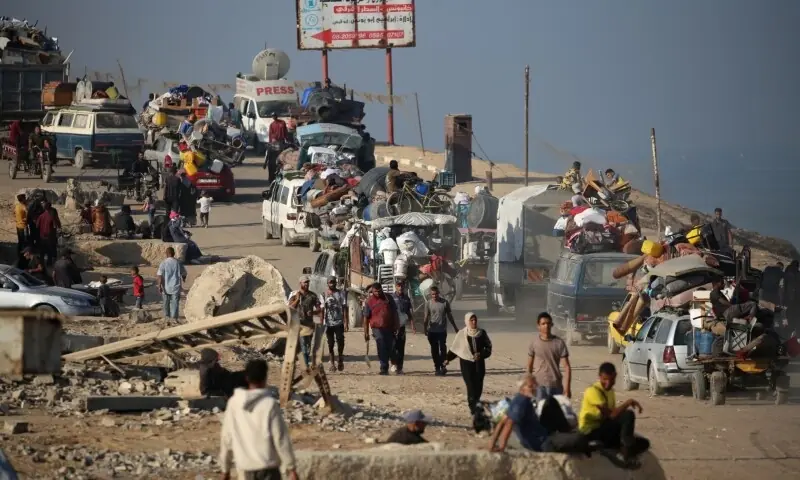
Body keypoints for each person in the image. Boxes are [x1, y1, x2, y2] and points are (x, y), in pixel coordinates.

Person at [219, 359, 298, 480]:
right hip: (268, 469)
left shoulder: (234, 403)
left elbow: (227, 438)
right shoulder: (269, 404)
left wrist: (225, 469)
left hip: (245, 469)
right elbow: (280, 438)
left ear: (247, 378)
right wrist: (291, 467)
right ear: (265, 378)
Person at [579, 362, 649, 467]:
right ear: (599, 377)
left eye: (610, 380)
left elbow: (613, 417)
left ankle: (622, 447)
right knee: (628, 414)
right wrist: (627, 403)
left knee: (644, 443)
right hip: (592, 432)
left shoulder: (610, 392)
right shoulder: (592, 391)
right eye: (604, 380)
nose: (607, 383)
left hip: (604, 429)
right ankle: (626, 452)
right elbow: (611, 415)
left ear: (615, 376)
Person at [444, 312, 492, 414]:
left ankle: (476, 402)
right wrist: (447, 359)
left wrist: (481, 354)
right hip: (466, 363)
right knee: (470, 385)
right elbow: (455, 349)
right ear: (467, 321)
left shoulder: (482, 333)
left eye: (475, 320)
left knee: (478, 385)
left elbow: (488, 348)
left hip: (479, 363)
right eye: (471, 320)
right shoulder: (462, 334)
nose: (474, 322)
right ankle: (473, 407)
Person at [488, 374, 548, 452]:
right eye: (530, 386)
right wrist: (502, 447)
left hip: (539, 439)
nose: (535, 388)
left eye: (535, 384)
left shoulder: (518, 399)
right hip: (540, 442)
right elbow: (509, 423)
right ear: (522, 388)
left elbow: (502, 422)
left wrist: (491, 444)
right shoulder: (522, 402)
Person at [527, 312, 572, 399]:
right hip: (539, 385)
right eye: (543, 324)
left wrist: (567, 388)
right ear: (538, 326)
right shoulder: (534, 343)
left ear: (552, 324)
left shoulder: (559, 343)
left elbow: (567, 367)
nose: (546, 326)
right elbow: (529, 366)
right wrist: (529, 385)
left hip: (555, 386)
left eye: (548, 323)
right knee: (540, 411)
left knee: (555, 412)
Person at [363, 283, 398, 375]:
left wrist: (396, 325)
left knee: (391, 347)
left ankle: (394, 363)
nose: (378, 293)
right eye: (375, 291)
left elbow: (395, 312)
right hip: (377, 328)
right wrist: (366, 332)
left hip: (389, 327)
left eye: (379, 291)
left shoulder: (388, 298)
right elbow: (366, 318)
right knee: (381, 344)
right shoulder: (369, 302)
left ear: (381, 289)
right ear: (372, 291)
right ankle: (384, 367)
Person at [423, 285, 458, 376]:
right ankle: (437, 368)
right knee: (434, 350)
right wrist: (425, 328)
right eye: (433, 294)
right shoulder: (428, 304)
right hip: (432, 331)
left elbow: (450, 316)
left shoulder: (444, 303)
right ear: (431, 295)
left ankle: (443, 366)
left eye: (436, 294)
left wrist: (455, 327)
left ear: (439, 293)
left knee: (443, 349)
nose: (434, 296)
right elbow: (426, 317)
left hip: (442, 331)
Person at [288, 276, 321, 366]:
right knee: (303, 346)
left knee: (308, 346)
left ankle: (305, 362)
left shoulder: (313, 296)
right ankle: (305, 365)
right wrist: (298, 299)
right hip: (298, 324)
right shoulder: (294, 295)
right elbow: (290, 307)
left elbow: (319, 309)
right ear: (300, 283)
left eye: (307, 282)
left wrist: (313, 312)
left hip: (309, 324)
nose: (306, 284)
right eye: (305, 282)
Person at [321, 276, 348, 372]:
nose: (332, 284)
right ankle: (332, 363)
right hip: (328, 323)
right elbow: (322, 309)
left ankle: (340, 358)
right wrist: (321, 323)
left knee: (340, 341)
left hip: (339, 322)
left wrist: (346, 322)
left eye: (333, 282)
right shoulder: (324, 294)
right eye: (330, 282)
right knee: (330, 343)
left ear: (336, 283)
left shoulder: (340, 293)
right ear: (327, 283)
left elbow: (344, 307)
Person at [390, 281, 416, 375]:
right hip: (392, 327)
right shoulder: (391, 298)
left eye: (402, 286)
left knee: (401, 348)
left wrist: (412, 324)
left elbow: (409, 312)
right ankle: (393, 363)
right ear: (396, 287)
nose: (400, 288)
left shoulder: (406, 298)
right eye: (398, 286)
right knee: (392, 347)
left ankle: (400, 368)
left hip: (401, 327)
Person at [157, 247, 187, 323]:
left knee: (166, 302)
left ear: (167, 254)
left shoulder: (163, 263)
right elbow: (184, 273)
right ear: (173, 254)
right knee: (175, 303)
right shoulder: (178, 262)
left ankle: (167, 316)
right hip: (175, 287)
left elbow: (159, 275)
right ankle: (174, 318)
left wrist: (159, 286)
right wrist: (183, 278)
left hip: (166, 287)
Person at [263, 113, 288, 182]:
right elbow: (271, 134)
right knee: (271, 163)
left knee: (281, 159)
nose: (274, 117)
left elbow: (285, 132)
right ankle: (270, 178)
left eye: (275, 116)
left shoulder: (282, 123)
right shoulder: (272, 125)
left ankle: (279, 177)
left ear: (277, 116)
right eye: (272, 116)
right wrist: (271, 142)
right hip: (274, 142)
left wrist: (286, 139)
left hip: (281, 142)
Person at [35, 201, 61, 266]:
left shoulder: (41, 216)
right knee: (49, 250)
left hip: (42, 236)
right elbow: (55, 225)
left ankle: (41, 264)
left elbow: (37, 226)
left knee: (42, 251)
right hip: (50, 236)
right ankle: (49, 263)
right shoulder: (52, 215)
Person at [14, 193, 27, 265]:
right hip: (23, 226)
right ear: (23, 199)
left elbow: (14, 213)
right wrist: (25, 219)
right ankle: (23, 254)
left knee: (20, 240)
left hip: (17, 225)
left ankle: (19, 253)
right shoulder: (23, 207)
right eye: (25, 198)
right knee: (24, 240)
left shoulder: (17, 206)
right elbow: (28, 215)